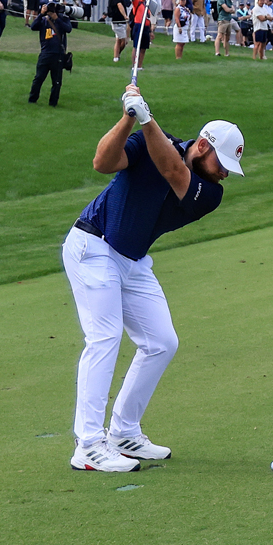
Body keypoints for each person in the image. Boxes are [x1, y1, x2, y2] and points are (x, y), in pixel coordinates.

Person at [62, 83, 249, 472]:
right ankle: (89, 444)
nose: (225, 175)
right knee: (105, 337)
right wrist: (128, 118)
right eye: (222, 165)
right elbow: (102, 162)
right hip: (92, 246)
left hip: (131, 260)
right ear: (202, 146)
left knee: (162, 341)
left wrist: (147, 120)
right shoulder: (150, 140)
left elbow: (172, 170)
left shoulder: (208, 193)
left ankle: (124, 431)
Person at [29, 0, 74, 105]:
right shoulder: (43, 20)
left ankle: (53, 102)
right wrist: (41, 14)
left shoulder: (63, 19)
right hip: (45, 53)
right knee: (38, 78)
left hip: (58, 54)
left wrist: (57, 19)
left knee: (57, 81)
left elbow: (68, 29)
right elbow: (33, 27)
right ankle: (32, 99)